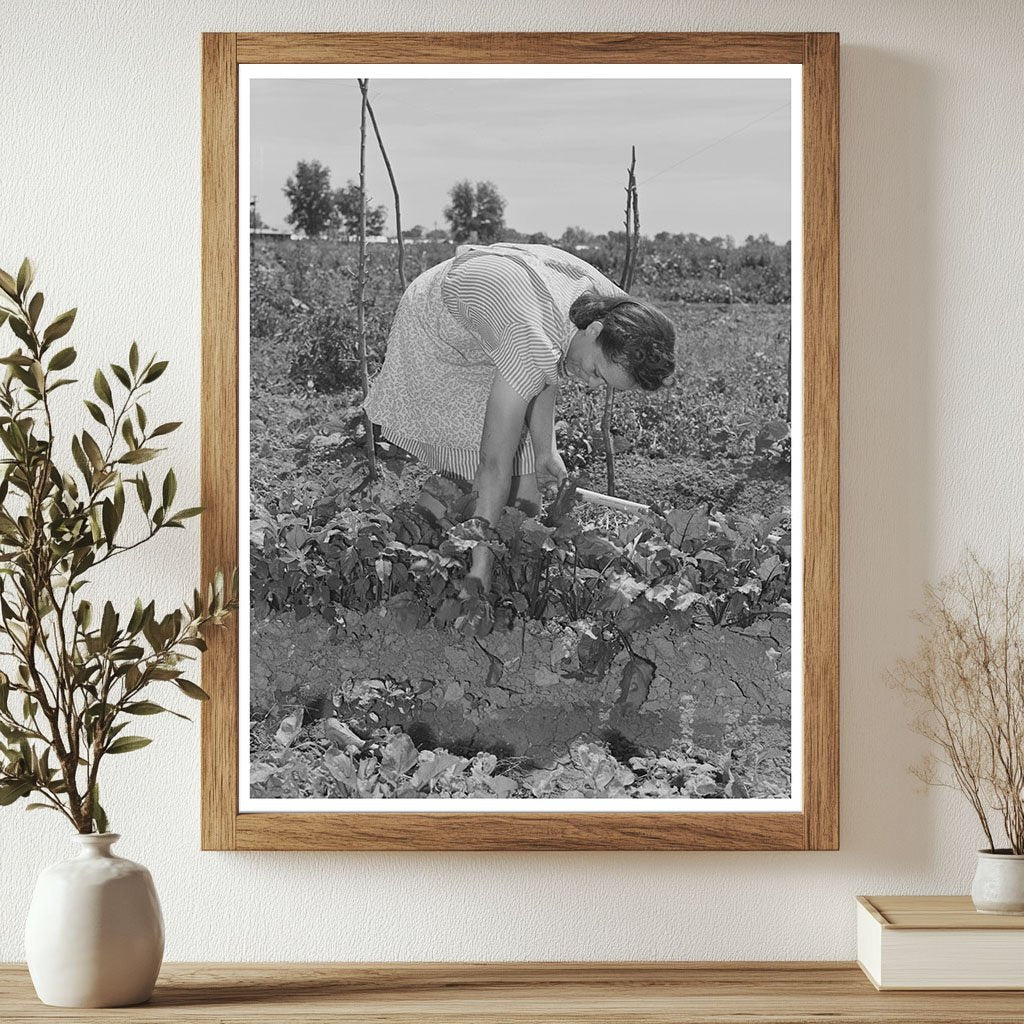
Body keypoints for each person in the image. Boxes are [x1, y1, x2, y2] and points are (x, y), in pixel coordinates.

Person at [363, 241, 675, 589]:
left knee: (525, 487)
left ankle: (477, 560)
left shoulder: (613, 308)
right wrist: (478, 572)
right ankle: (404, 554)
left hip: (504, 314)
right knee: (472, 467)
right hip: (438, 325)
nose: (591, 383)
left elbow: (549, 357)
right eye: (597, 372)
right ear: (595, 330)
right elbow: (493, 462)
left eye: (605, 384)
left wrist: (546, 449)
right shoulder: (531, 341)